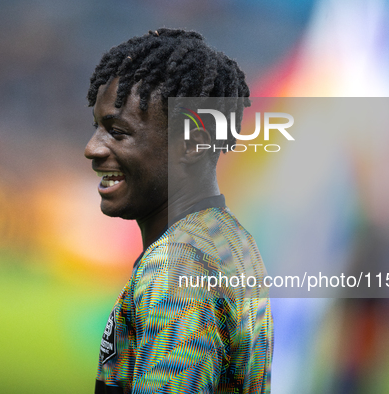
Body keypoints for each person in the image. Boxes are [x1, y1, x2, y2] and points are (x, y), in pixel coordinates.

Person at [85, 28, 273, 394]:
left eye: (117, 132)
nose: (92, 148)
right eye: (97, 128)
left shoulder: (179, 266)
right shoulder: (232, 239)